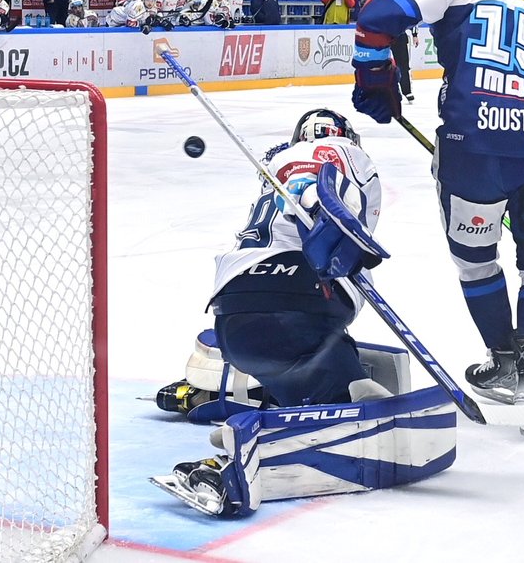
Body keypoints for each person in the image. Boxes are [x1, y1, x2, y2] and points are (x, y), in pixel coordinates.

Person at [150, 112, 456, 517]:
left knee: (311, 366)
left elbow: (298, 184)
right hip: (302, 301)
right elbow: (314, 183)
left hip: (234, 314)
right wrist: (326, 211)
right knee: (340, 390)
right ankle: (240, 458)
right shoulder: (345, 153)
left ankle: (250, 408)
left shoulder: (272, 164)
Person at [351, 0, 524, 417]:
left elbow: (377, 13)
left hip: (471, 145)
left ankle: (502, 361)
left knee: (477, 262)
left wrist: (375, 76)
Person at [389, 22, 418, 102]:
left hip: (399, 37)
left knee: (403, 66)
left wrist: (414, 34)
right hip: (383, 35)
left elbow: (413, 18)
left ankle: (407, 91)